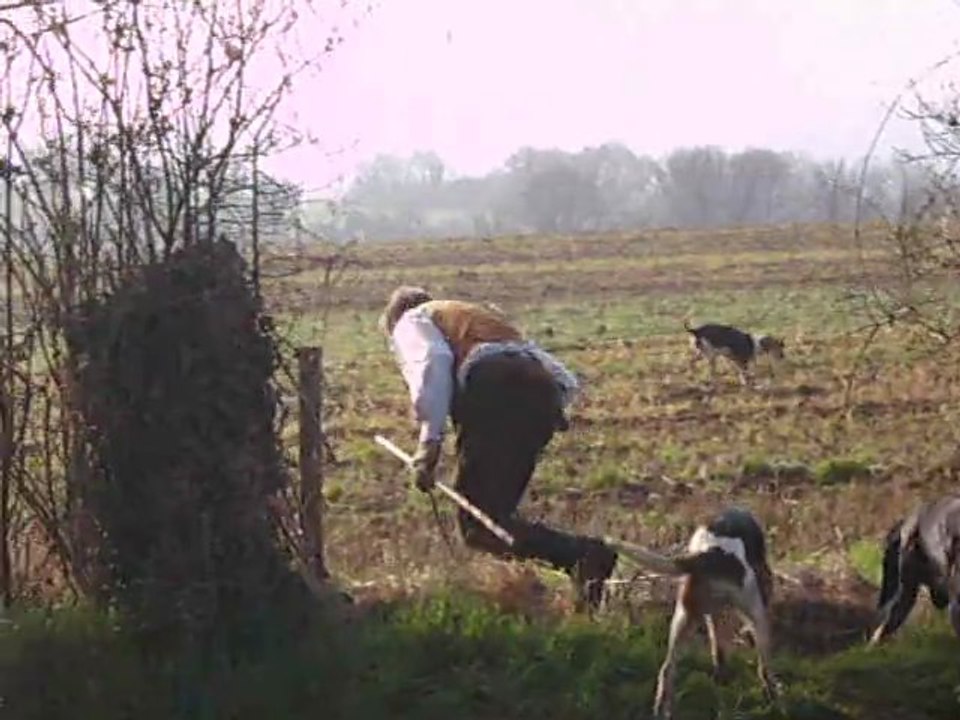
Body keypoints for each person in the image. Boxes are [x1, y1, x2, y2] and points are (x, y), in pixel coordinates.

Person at [379, 285, 618, 611]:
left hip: (495, 388)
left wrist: (429, 445)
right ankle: (578, 571)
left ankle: (582, 556)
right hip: (541, 395)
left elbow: (432, 362)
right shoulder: (471, 315)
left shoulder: (411, 320)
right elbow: (559, 375)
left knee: (479, 526)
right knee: (495, 518)